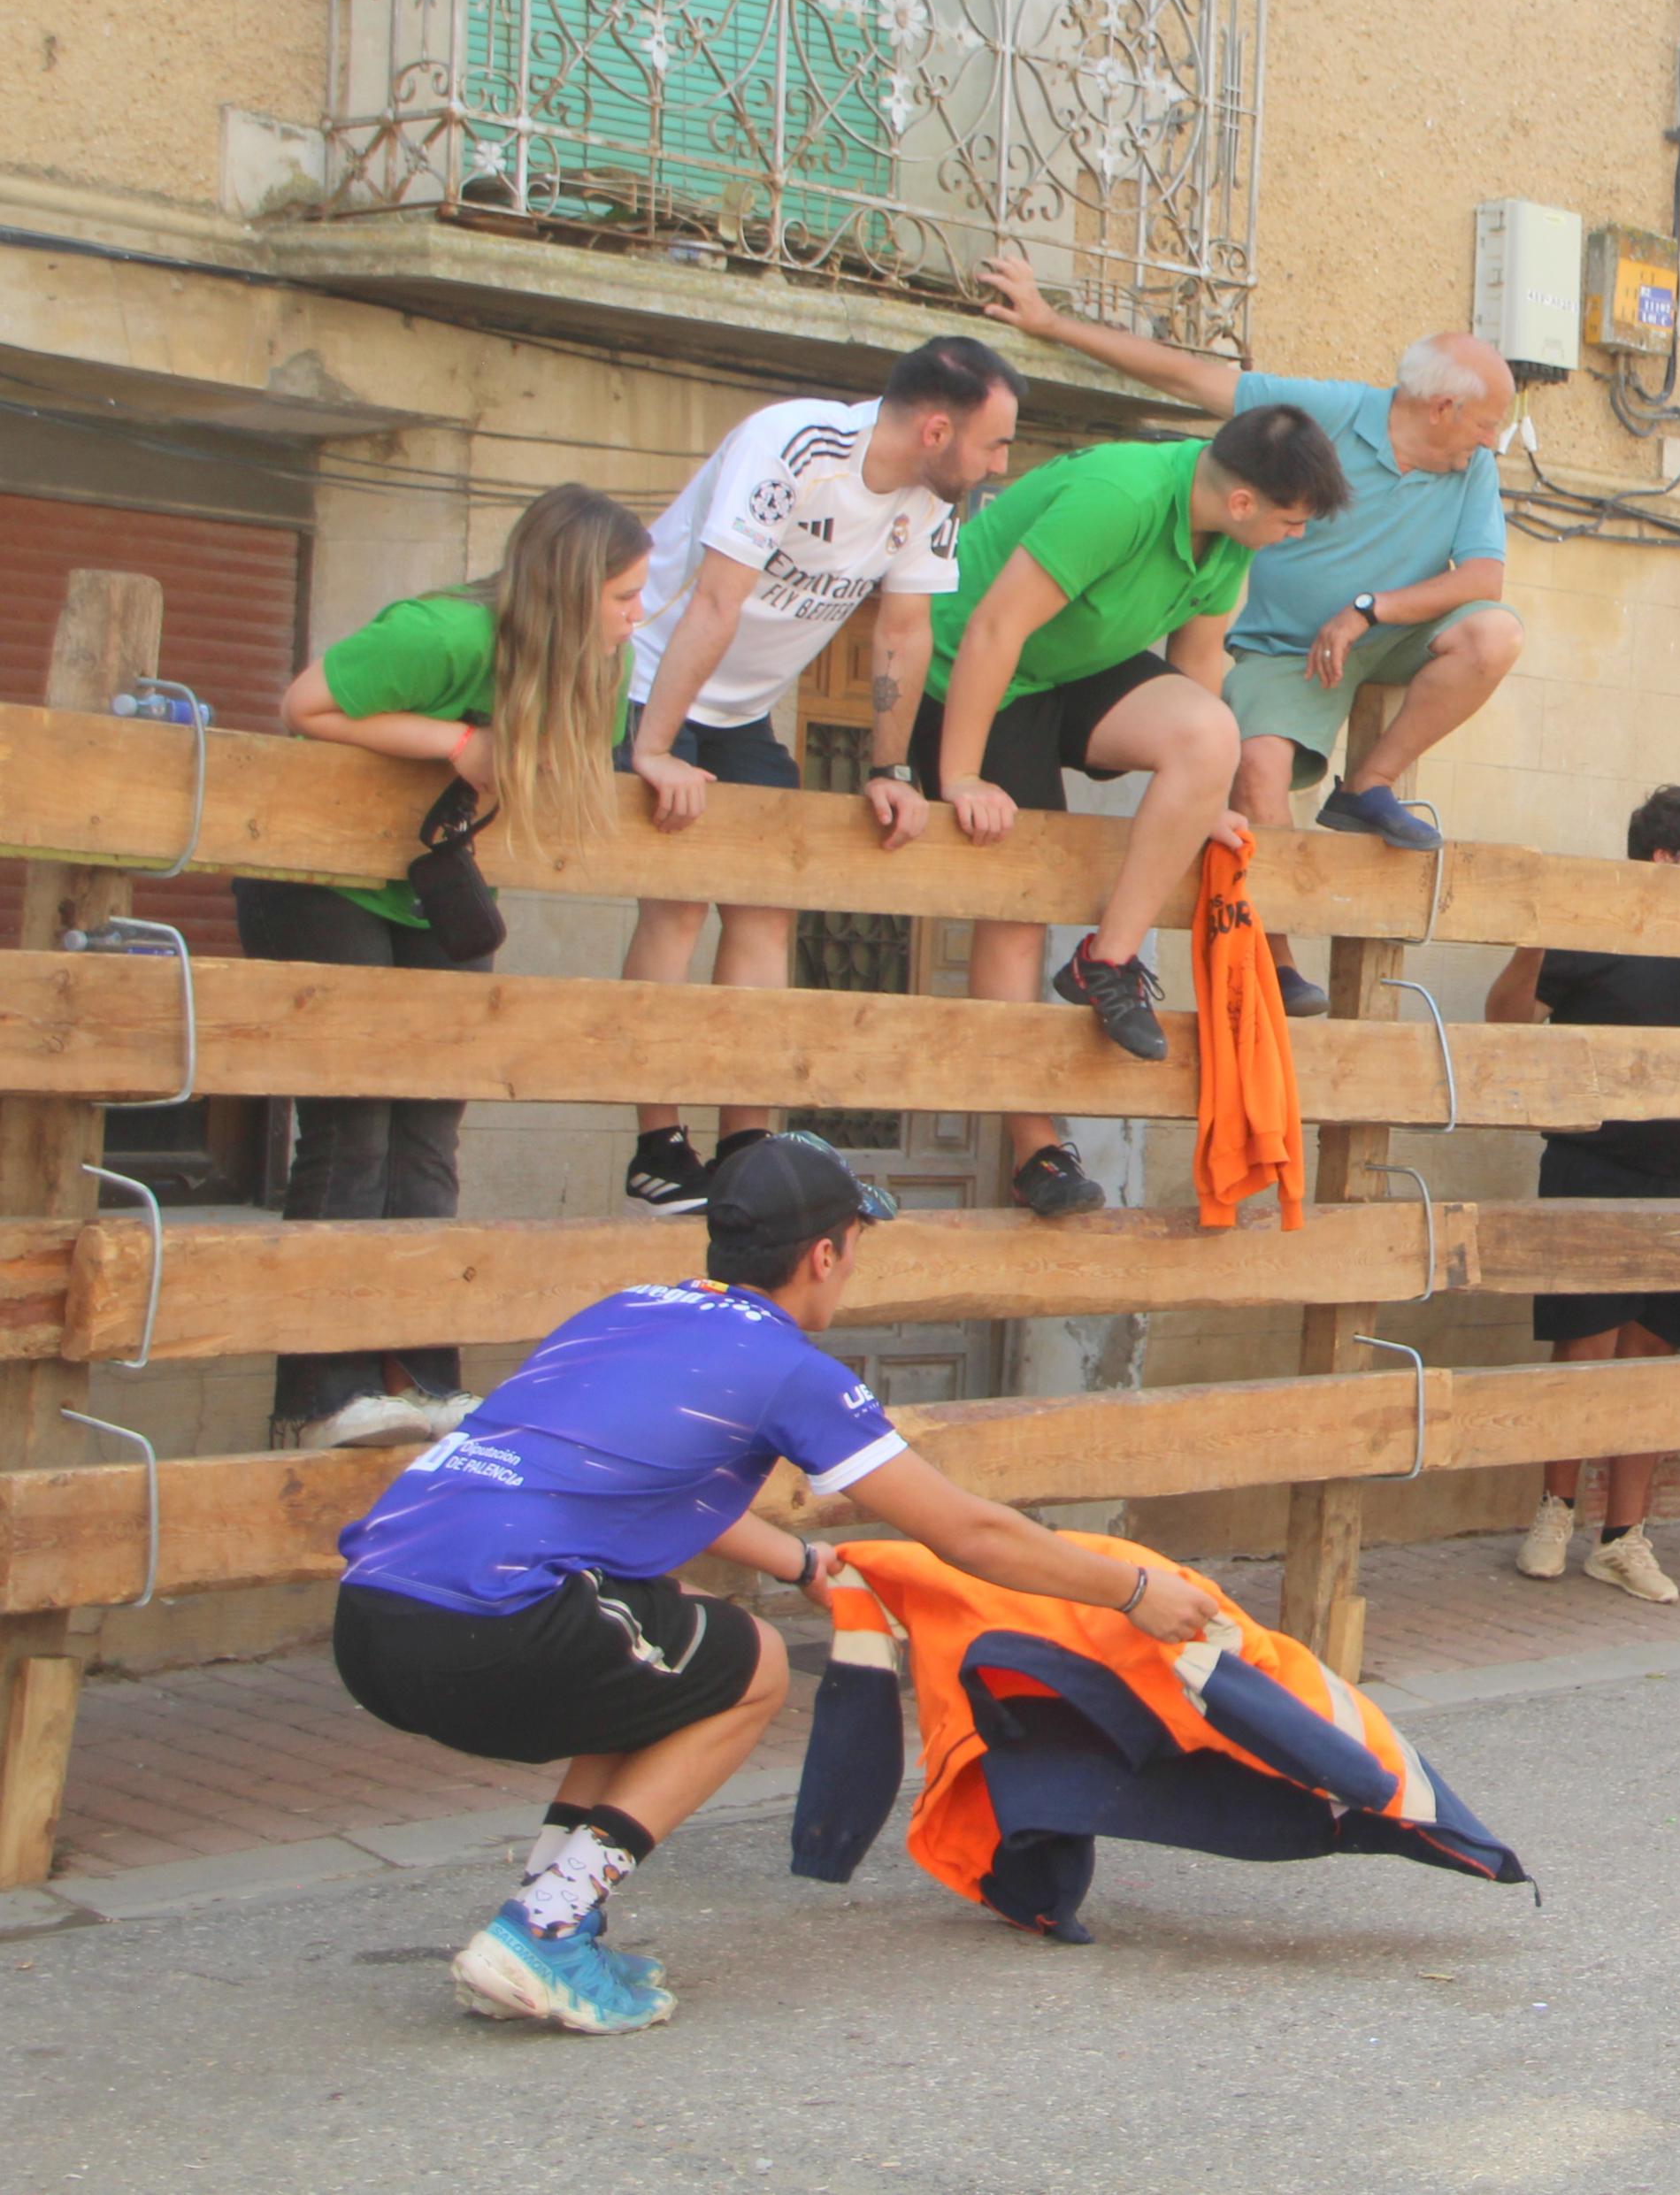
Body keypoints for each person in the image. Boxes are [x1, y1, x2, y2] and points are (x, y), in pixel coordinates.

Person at [327, 1132, 1227, 2034]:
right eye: (854, 1245)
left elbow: (644, 1478)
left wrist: (802, 1562)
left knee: (661, 1658)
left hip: (371, 1618)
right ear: (824, 1252)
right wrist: (1132, 1592)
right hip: (487, 1623)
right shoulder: (788, 1367)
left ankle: (554, 1915)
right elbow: (968, 1529)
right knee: (750, 1663)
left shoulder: (625, 1311)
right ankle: (541, 1930)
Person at [980, 257, 1519, 1017]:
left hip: (1389, 630)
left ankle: (1366, 786)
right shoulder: (1324, 413)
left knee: (1495, 635)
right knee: (1256, 765)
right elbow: (1193, 381)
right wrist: (1050, 323)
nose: (1494, 440)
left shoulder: (1472, 471)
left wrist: (1369, 607)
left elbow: (1484, 580)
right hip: (1285, 648)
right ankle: (1280, 960)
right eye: (1488, 421)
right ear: (1439, 407)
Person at [234, 485, 648, 1449]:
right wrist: (457, 741)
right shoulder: (445, 635)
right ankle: (321, 1395)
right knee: (351, 1129)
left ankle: (417, 1379)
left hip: (424, 883)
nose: (640, 613)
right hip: (317, 877)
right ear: (571, 587)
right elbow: (304, 704)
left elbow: (585, 763)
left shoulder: (602, 661)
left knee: (428, 1132)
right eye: (625, 595)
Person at [614, 338, 1025, 1215]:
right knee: (679, 900)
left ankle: (746, 1146)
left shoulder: (930, 502)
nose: (1000, 464)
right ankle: (658, 1144)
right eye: (993, 444)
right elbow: (716, 600)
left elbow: (901, 631)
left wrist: (890, 768)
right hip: (651, 683)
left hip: (744, 712)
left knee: (767, 907)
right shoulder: (793, 448)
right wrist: (654, 748)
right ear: (937, 427)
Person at [914, 405, 1353, 1216]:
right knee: (1013, 911)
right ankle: (1036, 1151)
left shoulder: (1228, 538)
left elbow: (1192, 677)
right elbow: (992, 628)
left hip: (1070, 667)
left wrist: (1206, 800)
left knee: (1209, 729)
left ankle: (1104, 962)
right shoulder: (1119, 495)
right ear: (1247, 502)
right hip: (969, 672)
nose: (1295, 537)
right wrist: (961, 776)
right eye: (1292, 523)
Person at [1489, 787, 1680, 1603]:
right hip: (1594, 1170)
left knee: (1652, 1361)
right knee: (1583, 1348)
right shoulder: (1591, 929)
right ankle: (1554, 1513)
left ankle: (1622, 1538)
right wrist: (1530, 950)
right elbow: (1506, 1022)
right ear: (1663, 859)